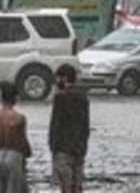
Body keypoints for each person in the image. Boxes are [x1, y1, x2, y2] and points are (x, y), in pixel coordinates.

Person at [49, 65, 90, 193]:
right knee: (77, 187)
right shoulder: (83, 98)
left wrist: (53, 146)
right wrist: (83, 145)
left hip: (63, 149)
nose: (56, 82)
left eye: (58, 78)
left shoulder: (60, 97)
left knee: (66, 187)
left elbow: (55, 124)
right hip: (79, 148)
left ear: (64, 78)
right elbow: (85, 124)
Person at [0, 85, 31, 193]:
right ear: (15, 98)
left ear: (2, 98)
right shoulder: (19, 117)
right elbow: (23, 139)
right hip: (14, 154)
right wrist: (28, 153)